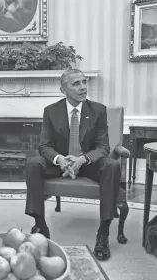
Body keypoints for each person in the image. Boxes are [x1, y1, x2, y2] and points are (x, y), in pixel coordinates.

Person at [25, 69, 128, 261]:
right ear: (63, 89)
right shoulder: (51, 111)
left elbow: (103, 146)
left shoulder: (98, 110)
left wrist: (82, 160)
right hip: (61, 162)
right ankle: (40, 224)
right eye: (76, 84)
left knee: (111, 166)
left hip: (89, 162)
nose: (82, 87)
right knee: (33, 164)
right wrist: (61, 160)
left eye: (84, 82)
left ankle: (103, 232)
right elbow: (44, 146)